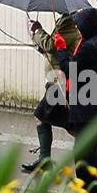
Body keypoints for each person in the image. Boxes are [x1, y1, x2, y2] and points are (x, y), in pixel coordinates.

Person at [54, 6, 97, 193]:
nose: (77, 29)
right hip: (95, 106)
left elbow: (72, 70)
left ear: (88, 25)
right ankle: (88, 188)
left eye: (79, 25)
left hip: (89, 108)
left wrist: (61, 50)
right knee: (84, 152)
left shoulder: (91, 45)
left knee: (86, 151)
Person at [23, 12, 80, 172]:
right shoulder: (63, 23)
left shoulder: (68, 25)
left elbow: (51, 45)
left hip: (59, 83)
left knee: (55, 122)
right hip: (57, 82)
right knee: (59, 122)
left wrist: (38, 31)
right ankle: (44, 159)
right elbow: (54, 50)